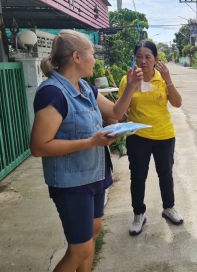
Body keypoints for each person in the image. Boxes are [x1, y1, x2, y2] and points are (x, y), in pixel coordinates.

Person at [30, 30, 142, 272]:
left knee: (91, 238)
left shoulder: (86, 88)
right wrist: (92, 142)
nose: (95, 59)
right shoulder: (53, 93)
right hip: (72, 183)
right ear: (77, 57)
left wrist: (131, 87)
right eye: (92, 54)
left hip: (95, 175)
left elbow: (114, 112)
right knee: (79, 249)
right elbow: (39, 146)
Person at [118, 41, 183, 236]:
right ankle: (139, 214)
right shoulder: (127, 80)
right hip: (138, 136)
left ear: (155, 59)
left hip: (164, 135)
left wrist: (169, 79)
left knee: (166, 174)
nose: (143, 61)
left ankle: (168, 208)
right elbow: (120, 112)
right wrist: (131, 88)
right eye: (139, 56)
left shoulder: (162, 79)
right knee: (138, 177)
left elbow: (177, 103)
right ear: (134, 58)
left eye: (148, 57)